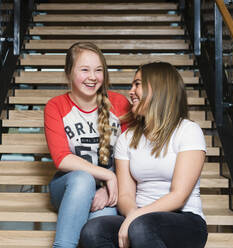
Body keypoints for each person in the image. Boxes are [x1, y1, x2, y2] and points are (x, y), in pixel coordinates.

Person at [79, 62, 208, 248]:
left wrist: (136, 218)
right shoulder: (127, 138)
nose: (131, 91)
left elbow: (179, 196)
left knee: (141, 227)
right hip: (139, 219)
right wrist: (133, 215)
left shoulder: (188, 131)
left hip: (185, 221)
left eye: (137, 84)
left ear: (158, 89)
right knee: (94, 230)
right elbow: (125, 195)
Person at [44, 42, 130, 248]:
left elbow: (133, 155)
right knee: (83, 180)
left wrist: (111, 186)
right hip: (68, 186)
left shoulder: (119, 103)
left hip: (110, 190)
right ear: (68, 72)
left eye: (98, 70)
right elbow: (62, 158)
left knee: (98, 233)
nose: (92, 77)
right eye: (84, 70)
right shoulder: (56, 106)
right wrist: (108, 175)